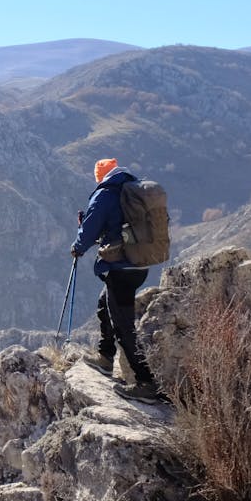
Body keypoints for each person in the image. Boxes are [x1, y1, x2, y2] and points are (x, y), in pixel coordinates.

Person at [71, 158, 165, 404]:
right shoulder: (134, 190)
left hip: (121, 267)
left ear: (100, 176)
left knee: (123, 325)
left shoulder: (105, 195)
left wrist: (78, 247)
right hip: (140, 265)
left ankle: (146, 382)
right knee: (105, 304)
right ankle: (105, 355)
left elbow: (90, 230)